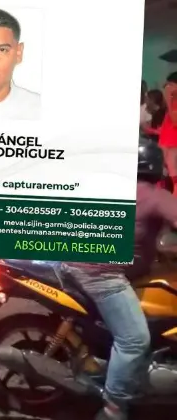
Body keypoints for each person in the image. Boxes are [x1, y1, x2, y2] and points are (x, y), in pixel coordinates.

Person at [59, 137, 177, 420]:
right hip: (101, 274)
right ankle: (113, 408)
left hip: (77, 261)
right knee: (134, 339)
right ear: (156, 167)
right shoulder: (155, 195)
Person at [159, 72, 177, 195]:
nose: (167, 87)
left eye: (170, 84)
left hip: (173, 144)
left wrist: (168, 99)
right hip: (168, 143)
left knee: (175, 178)